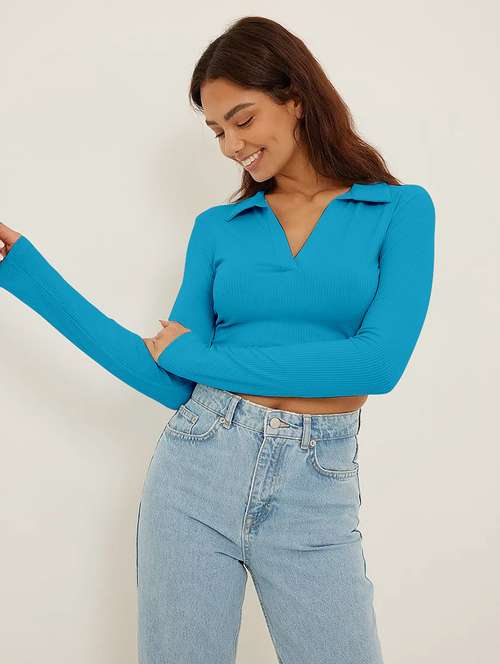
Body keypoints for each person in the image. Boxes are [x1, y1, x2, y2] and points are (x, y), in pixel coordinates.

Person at [0, 15, 435, 664]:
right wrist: (25, 274)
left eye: (242, 119)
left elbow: (377, 363)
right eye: (216, 131)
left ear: (295, 99)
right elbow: (171, 379)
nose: (231, 145)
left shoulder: (399, 210)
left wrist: (200, 358)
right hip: (198, 468)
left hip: (317, 484)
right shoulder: (218, 228)